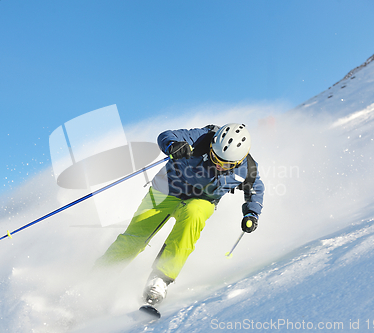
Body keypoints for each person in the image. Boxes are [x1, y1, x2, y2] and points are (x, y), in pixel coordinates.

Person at [93, 123, 264, 305]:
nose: (219, 165)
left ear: (239, 160)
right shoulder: (202, 138)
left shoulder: (248, 169)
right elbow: (166, 135)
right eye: (215, 157)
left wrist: (252, 213)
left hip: (202, 200)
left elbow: (256, 190)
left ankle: (160, 280)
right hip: (166, 189)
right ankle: (96, 280)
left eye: (226, 164)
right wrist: (172, 145)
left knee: (194, 215)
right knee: (135, 237)